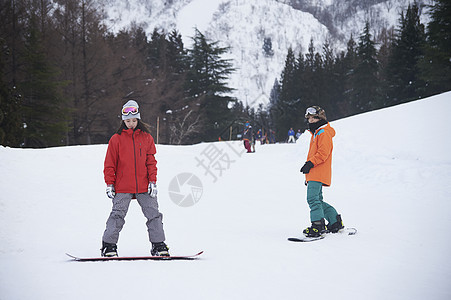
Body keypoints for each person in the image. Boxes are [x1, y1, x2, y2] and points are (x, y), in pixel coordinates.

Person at [102, 100, 169, 257]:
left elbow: (151, 162)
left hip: (144, 185)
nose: (131, 124)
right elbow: (109, 164)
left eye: (133, 120)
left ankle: (158, 245)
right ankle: (109, 246)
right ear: (123, 121)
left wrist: (153, 181)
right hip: (122, 186)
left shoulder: (146, 138)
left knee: (153, 214)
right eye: (127, 121)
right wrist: (109, 184)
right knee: (117, 215)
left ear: (138, 119)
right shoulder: (116, 139)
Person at [300, 106, 344, 237]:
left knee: (312, 199)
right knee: (317, 200)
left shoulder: (323, 133)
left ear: (321, 118)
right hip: (315, 172)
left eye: (314, 118)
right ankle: (334, 221)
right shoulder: (317, 133)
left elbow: (323, 153)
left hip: (318, 170)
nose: (311, 120)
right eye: (309, 118)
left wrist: (310, 163)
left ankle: (317, 226)